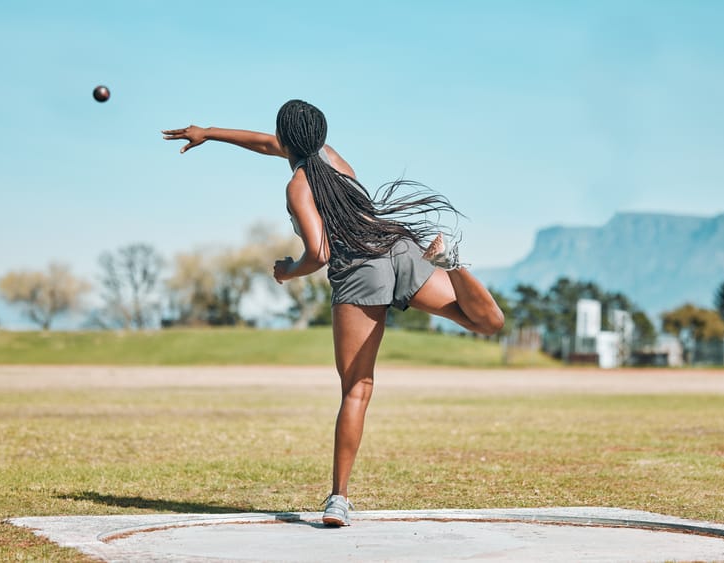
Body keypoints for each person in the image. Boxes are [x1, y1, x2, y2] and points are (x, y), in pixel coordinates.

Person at [162, 100, 504, 527]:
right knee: (487, 323)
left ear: (287, 140)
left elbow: (319, 253)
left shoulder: (298, 187)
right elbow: (270, 145)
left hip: (361, 271)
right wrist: (211, 132)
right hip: (397, 247)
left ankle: (338, 499)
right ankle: (452, 262)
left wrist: (288, 272)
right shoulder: (332, 158)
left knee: (357, 388)